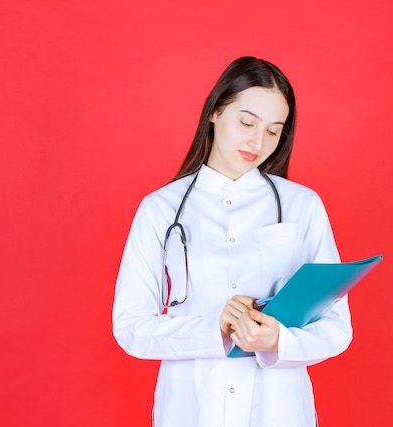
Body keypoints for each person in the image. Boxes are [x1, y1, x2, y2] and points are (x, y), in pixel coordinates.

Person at [112, 56, 352, 427]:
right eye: (246, 122)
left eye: (274, 131)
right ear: (216, 111)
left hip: (279, 410)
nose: (258, 142)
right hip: (189, 409)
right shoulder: (160, 209)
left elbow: (336, 328)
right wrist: (214, 328)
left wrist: (278, 342)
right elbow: (131, 328)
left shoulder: (302, 205)